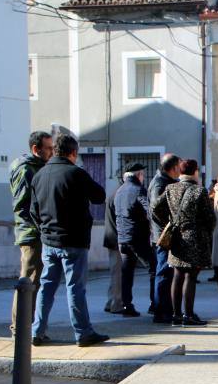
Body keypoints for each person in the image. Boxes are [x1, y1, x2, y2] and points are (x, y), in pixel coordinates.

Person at [30, 133, 108, 347]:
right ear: (73, 153)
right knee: (75, 288)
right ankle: (83, 333)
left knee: (46, 287)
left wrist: (45, 232)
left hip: (49, 242)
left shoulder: (39, 175)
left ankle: (36, 331)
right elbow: (99, 196)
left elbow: (33, 211)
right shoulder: (77, 173)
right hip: (74, 242)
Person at [152, 159, 213, 327]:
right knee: (191, 277)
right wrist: (206, 231)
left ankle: (176, 315)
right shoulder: (199, 191)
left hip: (177, 237)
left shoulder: (170, 188)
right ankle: (189, 315)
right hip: (195, 238)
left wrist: (168, 222)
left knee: (177, 276)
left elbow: (155, 207)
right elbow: (210, 218)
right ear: (195, 172)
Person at [9, 131, 53, 336]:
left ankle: (31, 327)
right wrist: (39, 227)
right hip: (31, 234)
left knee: (35, 282)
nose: (52, 152)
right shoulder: (25, 169)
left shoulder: (39, 167)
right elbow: (22, 206)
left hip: (38, 233)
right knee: (28, 281)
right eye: (48, 149)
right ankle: (20, 329)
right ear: (36, 149)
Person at [115, 163, 155, 317]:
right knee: (154, 268)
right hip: (137, 237)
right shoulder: (138, 190)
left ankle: (127, 305)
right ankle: (154, 303)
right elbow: (148, 210)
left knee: (127, 273)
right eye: (142, 175)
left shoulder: (119, 191)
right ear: (139, 175)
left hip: (122, 238)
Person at [148, 154, 180, 323]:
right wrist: (169, 224)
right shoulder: (161, 183)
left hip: (162, 234)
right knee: (163, 272)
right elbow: (155, 208)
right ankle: (160, 310)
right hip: (163, 236)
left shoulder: (164, 181)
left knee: (165, 272)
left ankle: (164, 308)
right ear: (174, 167)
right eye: (179, 166)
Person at [103, 186, 123, 315]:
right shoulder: (118, 196)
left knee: (114, 273)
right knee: (117, 274)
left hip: (111, 238)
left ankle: (110, 301)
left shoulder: (113, 195)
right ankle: (116, 303)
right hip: (116, 240)